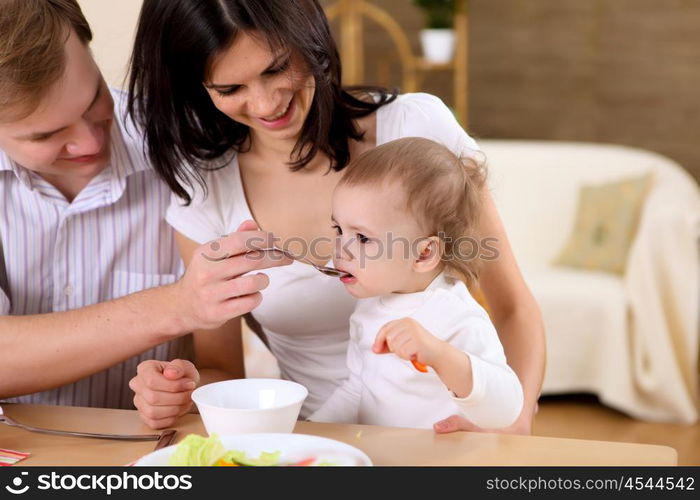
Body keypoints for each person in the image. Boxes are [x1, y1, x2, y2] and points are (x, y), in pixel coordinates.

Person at [127, 0, 545, 433]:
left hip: (453, 440)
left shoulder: (417, 131)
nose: (267, 103)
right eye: (230, 89)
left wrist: (511, 428)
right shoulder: (204, 190)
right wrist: (182, 391)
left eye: (277, 68)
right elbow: (222, 368)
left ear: (307, 38)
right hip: (320, 441)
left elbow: (512, 306)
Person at [0, 0, 290, 415]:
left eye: (93, 100)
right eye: (45, 134)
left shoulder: (191, 152)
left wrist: (180, 393)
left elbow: (221, 370)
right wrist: (176, 305)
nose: (91, 143)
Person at [308, 137, 524, 428]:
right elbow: (357, 389)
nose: (339, 249)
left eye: (361, 238)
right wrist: (309, 430)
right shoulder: (369, 306)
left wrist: (440, 355)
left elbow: (506, 409)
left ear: (423, 254)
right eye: (338, 229)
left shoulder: (456, 316)